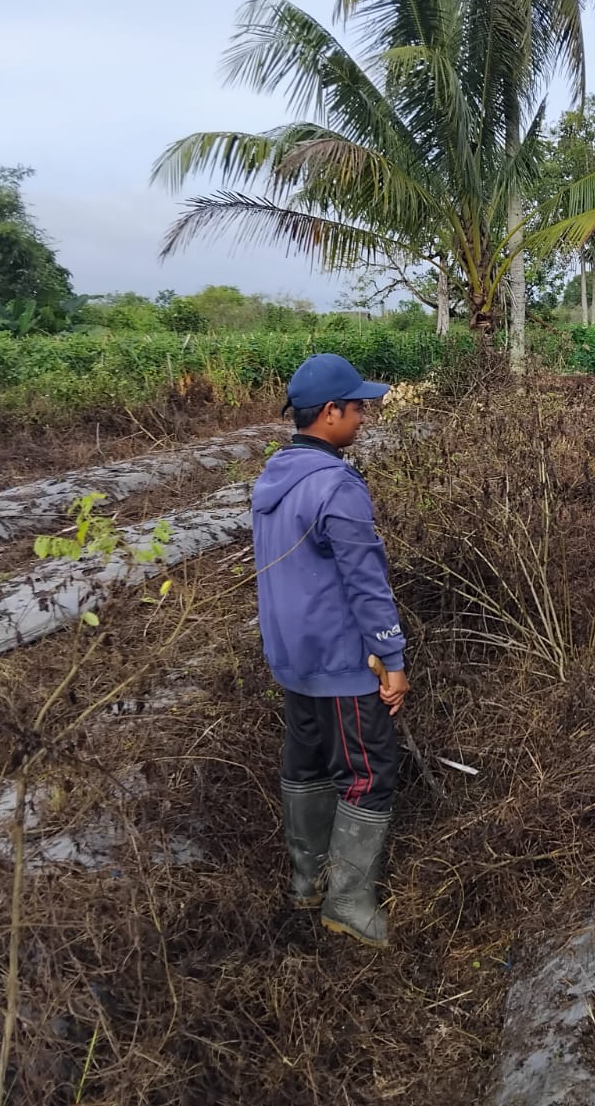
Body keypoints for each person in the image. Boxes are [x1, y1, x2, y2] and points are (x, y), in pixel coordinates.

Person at [251, 353, 411, 949]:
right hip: (342, 663)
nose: (364, 417)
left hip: (292, 658)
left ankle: (307, 882)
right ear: (329, 414)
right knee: (368, 773)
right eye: (357, 407)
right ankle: (348, 901)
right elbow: (365, 583)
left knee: (307, 764)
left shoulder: (275, 477)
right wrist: (391, 659)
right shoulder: (335, 486)